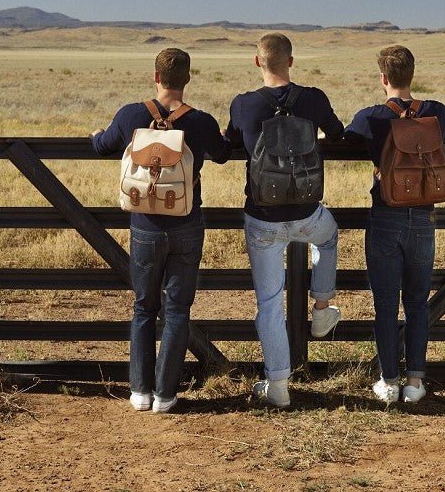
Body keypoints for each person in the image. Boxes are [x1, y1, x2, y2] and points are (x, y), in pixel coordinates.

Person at [90, 48, 231, 413]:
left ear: (156, 77)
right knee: (178, 309)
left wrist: (96, 135)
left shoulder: (131, 115)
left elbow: (104, 145)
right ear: (187, 79)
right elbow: (224, 152)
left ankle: (139, 390)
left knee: (143, 307)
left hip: (145, 227)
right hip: (187, 224)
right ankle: (166, 394)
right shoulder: (200, 122)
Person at [224, 32, 344, 407]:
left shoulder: (243, 105)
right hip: (308, 213)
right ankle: (322, 309)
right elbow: (339, 134)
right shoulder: (314, 98)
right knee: (328, 237)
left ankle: (278, 387)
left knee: (270, 303)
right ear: (291, 61)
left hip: (263, 219)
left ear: (258, 62)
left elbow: (229, 146)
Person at [344, 45, 445, 403]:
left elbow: (347, 140)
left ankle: (388, 380)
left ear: (383, 78)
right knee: (416, 302)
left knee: (384, 301)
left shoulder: (372, 118)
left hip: (384, 217)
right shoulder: (436, 112)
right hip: (424, 217)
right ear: (411, 74)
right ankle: (415, 381)